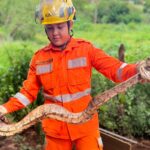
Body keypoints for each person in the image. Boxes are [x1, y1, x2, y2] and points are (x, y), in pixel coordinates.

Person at [0, 0, 149, 150]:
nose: (55, 33)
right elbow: (27, 94)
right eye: (50, 28)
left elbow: (116, 69)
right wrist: (5, 108)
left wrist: (137, 69)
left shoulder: (86, 49)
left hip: (85, 129)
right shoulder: (39, 59)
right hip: (56, 133)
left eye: (60, 26)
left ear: (70, 25)